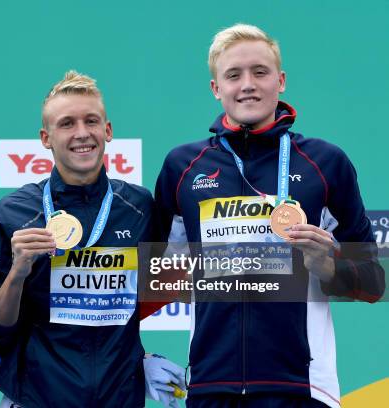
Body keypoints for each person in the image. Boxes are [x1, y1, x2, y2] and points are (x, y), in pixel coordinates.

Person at [154, 24, 385, 408]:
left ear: (280, 81)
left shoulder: (325, 163)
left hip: (302, 388)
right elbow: (144, 279)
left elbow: (374, 283)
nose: (248, 84)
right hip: (212, 387)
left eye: (260, 72)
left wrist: (328, 266)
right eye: (234, 75)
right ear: (216, 88)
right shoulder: (183, 167)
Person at [0, 71, 185, 408]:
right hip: (37, 399)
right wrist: (17, 273)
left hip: (118, 399)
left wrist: (140, 357)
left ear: (107, 130)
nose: (81, 133)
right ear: (45, 138)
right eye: (66, 124)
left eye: (91, 121)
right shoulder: (15, 213)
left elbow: (151, 295)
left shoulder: (139, 207)